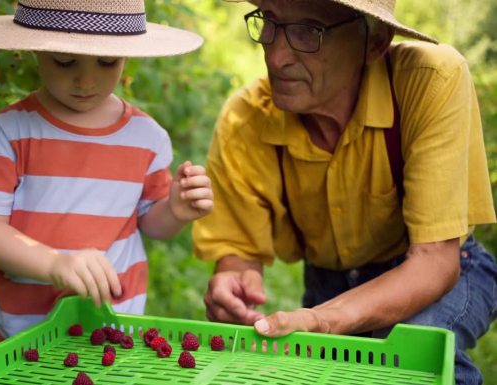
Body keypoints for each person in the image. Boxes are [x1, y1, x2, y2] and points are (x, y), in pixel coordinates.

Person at [193, 0, 496, 383]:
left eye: (308, 32)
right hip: (329, 282)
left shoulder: (429, 79)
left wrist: (322, 319)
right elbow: (238, 254)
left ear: (375, 40)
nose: (277, 55)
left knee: (408, 358)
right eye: (270, 22)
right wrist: (234, 278)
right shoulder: (247, 119)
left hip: (442, 267)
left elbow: (435, 261)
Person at [0, 0, 213, 344]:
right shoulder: (11, 131)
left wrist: (176, 211)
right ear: (36, 50)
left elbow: (152, 223)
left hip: (113, 330)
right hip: (22, 336)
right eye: (65, 61)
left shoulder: (147, 137)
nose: (86, 80)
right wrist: (55, 264)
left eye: (107, 62)